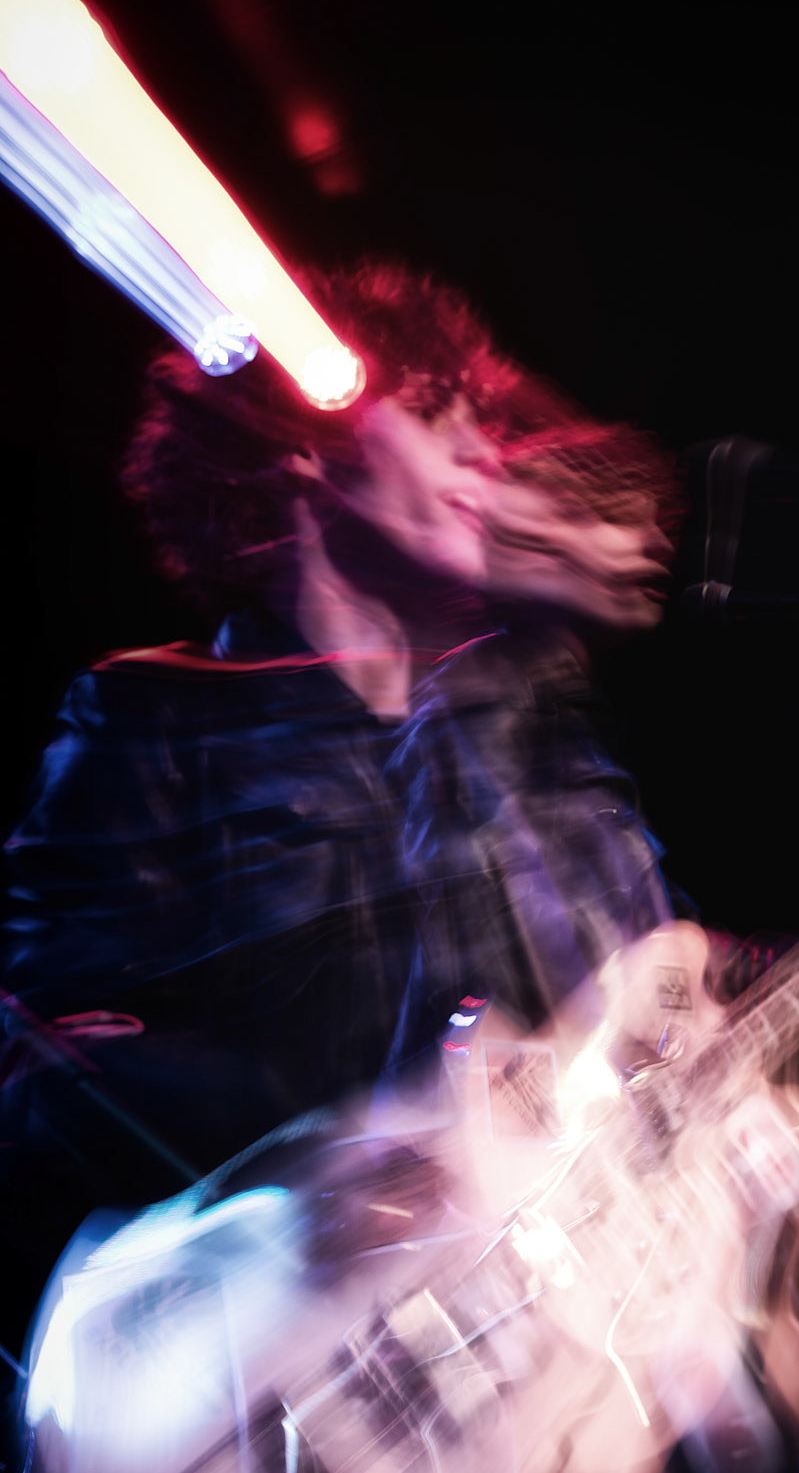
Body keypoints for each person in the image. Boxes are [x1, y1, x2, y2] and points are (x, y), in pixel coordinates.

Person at [0, 260, 679, 1354]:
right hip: (288, 1365)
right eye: (433, 413)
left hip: (542, 1336)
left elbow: (644, 994)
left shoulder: (520, 710)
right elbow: (57, 1076)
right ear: (306, 447)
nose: (482, 453)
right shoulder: (152, 717)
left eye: (482, 423)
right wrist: (365, 1130)